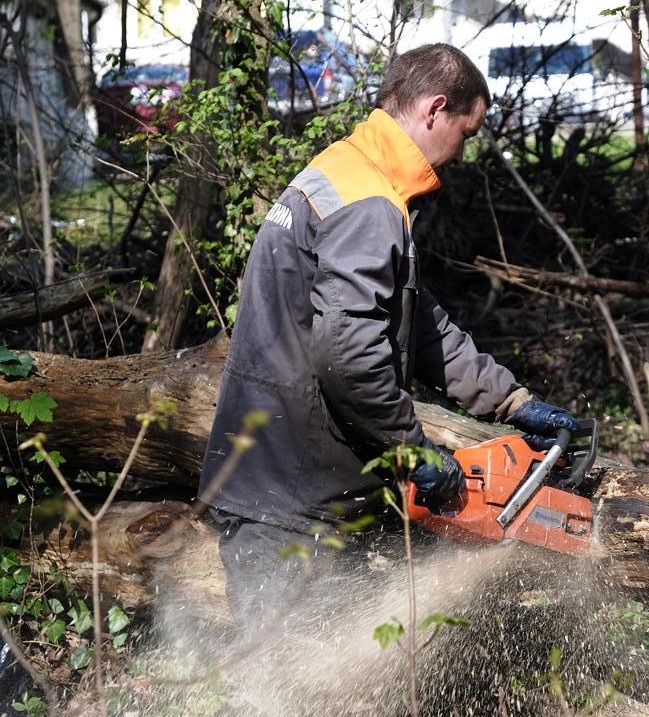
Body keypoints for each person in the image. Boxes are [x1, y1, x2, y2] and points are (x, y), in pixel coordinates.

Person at [199, 43, 578, 621]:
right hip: (290, 493)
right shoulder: (368, 203)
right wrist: (412, 450)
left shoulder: (351, 174)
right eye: (466, 133)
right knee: (278, 666)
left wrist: (513, 401)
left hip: (289, 478)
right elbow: (349, 356)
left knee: (321, 661)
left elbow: (420, 326)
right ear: (434, 109)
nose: (462, 153)